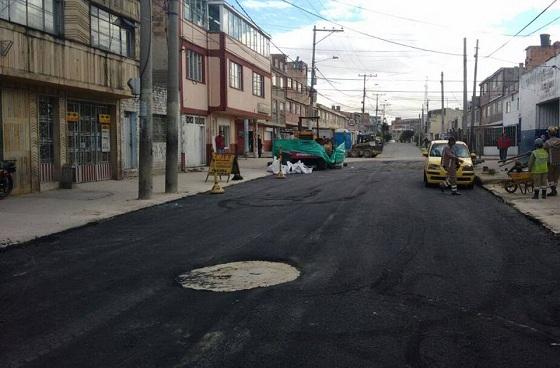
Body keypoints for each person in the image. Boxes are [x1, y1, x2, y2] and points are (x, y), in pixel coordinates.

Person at [544, 126, 560, 196]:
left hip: (550, 162)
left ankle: (553, 190)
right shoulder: (559, 141)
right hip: (559, 162)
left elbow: (545, 151)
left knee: (550, 176)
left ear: (549, 134)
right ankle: (554, 189)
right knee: (556, 176)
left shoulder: (547, 142)